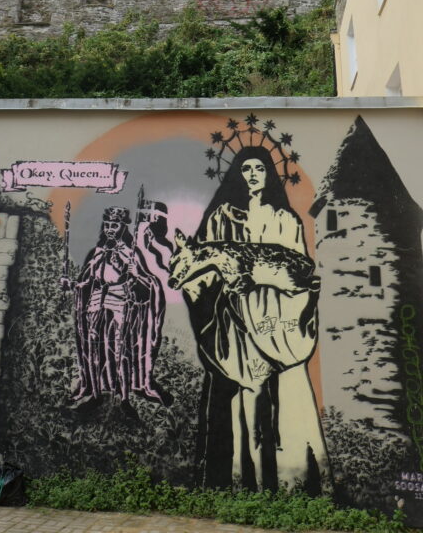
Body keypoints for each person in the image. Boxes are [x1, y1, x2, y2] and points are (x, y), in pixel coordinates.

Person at [177, 145, 328, 493]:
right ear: (237, 176)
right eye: (246, 169)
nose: (253, 175)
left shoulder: (286, 220)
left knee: (286, 398)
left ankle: (294, 484)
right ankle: (240, 482)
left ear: (269, 175)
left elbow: (299, 275)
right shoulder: (220, 218)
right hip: (234, 326)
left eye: (260, 168)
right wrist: (227, 282)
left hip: (275, 323)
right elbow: (204, 269)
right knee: (237, 402)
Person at [71, 206, 166, 417]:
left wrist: (136, 273)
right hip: (96, 300)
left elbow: (148, 282)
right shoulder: (97, 252)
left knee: (120, 350)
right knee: (95, 349)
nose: (110, 229)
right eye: (107, 225)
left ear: (122, 227)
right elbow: (86, 280)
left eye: (114, 225)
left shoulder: (129, 252)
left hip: (119, 299)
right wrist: (73, 284)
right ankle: (95, 394)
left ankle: (124, 398)